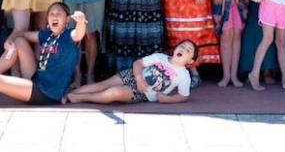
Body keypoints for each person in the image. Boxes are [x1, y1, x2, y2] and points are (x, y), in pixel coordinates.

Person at [66, 41, 196, 104]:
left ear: (190, 60)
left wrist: (168, 99)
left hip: (143, 93)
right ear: (175, 48)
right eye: (182, 46)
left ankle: (80, 97)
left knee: (114, 93)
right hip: (133, 75)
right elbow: (138, 63)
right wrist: (139, 79)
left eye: (188, 50)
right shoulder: (160, 57)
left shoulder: (184, 76)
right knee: (102, 85)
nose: (184, 49)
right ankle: (67, 95)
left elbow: (183, 96)